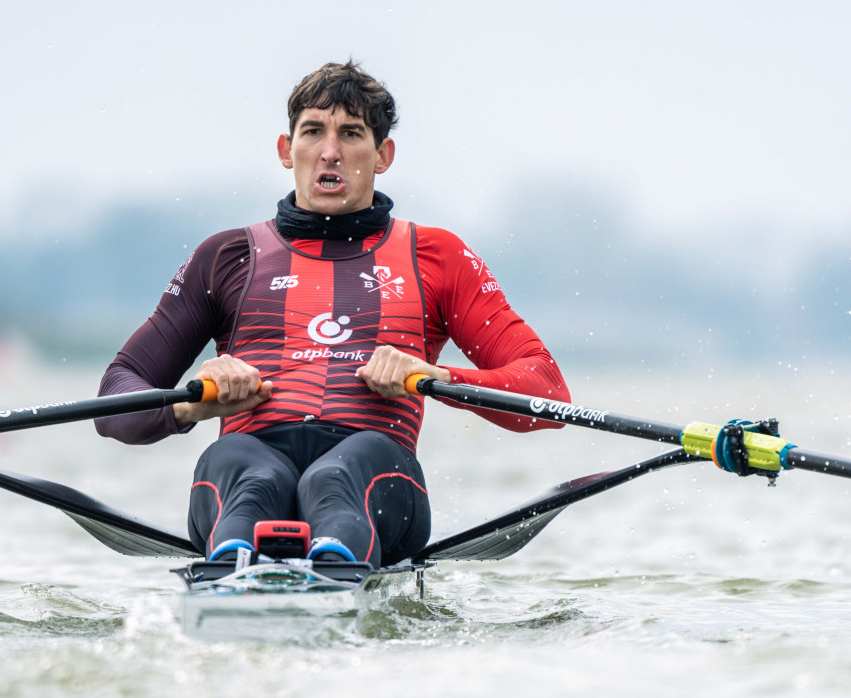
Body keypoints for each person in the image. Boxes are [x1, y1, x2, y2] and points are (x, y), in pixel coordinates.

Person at [96, 60, 570, 568]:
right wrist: (194, 403)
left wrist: (436, 377)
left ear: (383, 155)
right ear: (286, 150)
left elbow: (547, 391)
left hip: (377, 473)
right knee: (245, 466)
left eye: (351, 133)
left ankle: (312, 570)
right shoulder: (226, 257)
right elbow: (114, 399)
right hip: (243, 464)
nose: (330, 151)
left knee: (336, 475)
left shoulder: (437, 257)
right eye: (313, 132)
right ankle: (235, 579)